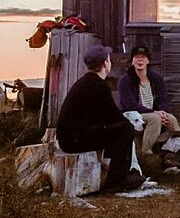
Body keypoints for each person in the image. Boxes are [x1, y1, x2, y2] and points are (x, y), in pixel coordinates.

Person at [55, 45, 145, 192]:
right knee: (126, 129)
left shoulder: (86, 82)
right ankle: (118, 179)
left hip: (69, 139)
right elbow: (115, 117)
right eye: (109, 59)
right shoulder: (98, 85)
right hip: (73, 141)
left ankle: (112, 170)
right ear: (105, 63)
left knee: (119, 129)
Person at [117, 45, 180, 155]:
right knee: (155, 119)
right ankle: (146, 153)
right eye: (137, 57)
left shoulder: (156, 78)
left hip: (154, 113)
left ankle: (167, 148)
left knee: (172, 120)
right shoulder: (125, 80)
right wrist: (155, 113)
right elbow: (130, 105)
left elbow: (164, 99)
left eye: (143, 57)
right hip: (132, 114)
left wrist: (163, 112)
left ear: (148, 61)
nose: (140, 60)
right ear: (132, 61)